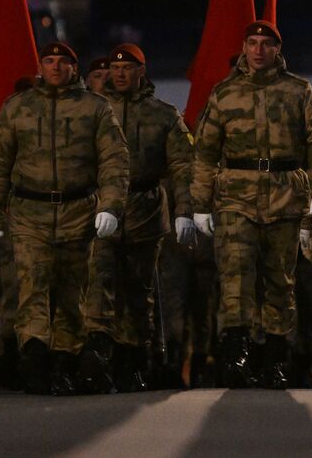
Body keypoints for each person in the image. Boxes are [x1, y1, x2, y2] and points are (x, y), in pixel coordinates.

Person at [0, 42, 129, 395]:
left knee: (72, 291)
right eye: (49, 61)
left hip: (78, 211)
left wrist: (110, 206)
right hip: (30, 213)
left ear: (74, 68)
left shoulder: (95, 107)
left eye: (63, 62)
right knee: (33, 287)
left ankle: (63, 360)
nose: (56, 67)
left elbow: (115, 162)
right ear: (40, 66)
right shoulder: (18, 108)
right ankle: (34, 358)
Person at [191, 20, 312, 389]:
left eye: (265, 44)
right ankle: (236, 354)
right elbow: (205, 151)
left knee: (279, 280)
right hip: (235, 196)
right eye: (252, 43)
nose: (258, 50)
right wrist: (200, 203)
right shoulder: (224, 93)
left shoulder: (298, 90)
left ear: (277, 50)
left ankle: (275, 357)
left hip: (286, 195)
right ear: (244, 47)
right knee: (235, 276)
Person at [90, 43, 194, 392]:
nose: (119, 74)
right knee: (98, 287)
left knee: (139, 291)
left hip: (145, 209)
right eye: (114, 68)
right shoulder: (92, 110)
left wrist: (184, 212)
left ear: (141, 72)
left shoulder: (163, 114)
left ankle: (134, 362)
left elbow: (183, 167)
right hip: (101, 207)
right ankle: (99, 360)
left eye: (127, 68)